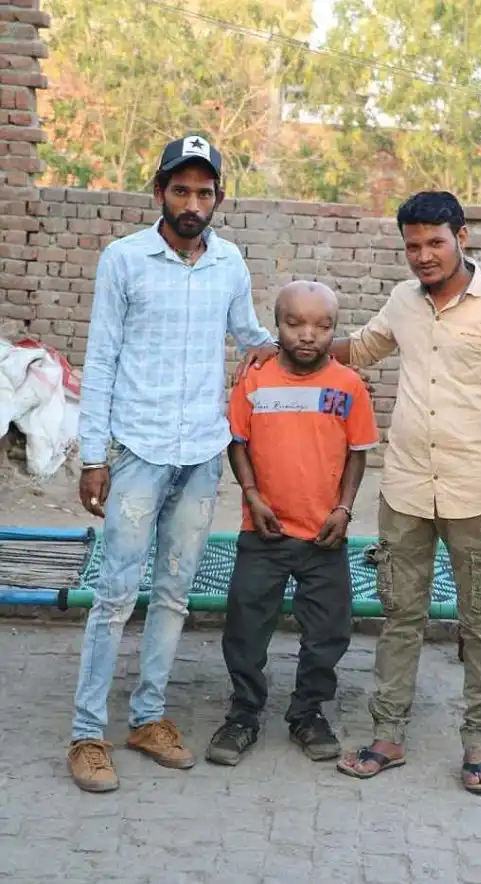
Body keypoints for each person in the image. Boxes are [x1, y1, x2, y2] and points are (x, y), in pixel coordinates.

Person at [242, 191, 481, 794]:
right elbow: (359, 347)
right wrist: (281, 346)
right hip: (404, 491)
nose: (424, 255)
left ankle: (479, 746)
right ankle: (388, 735)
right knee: (401, 617)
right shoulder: (404, 301)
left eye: (435, 242)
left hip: (475, 497)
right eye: (413, 245)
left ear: (461, 237)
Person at [68, 135, 279, 793]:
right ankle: (87, 734)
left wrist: (299, 344)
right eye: (180, 190)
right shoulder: (124, 260)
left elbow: (249, 335)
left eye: (204, 192)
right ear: (159, 192)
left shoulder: (229, 262)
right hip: (137, 451)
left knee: (173, 594)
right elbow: (101, 360)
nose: (192, 203)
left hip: (201, 455)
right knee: (114, 595)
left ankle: (148, 717)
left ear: (219, 198)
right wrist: (94, 457)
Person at [206, 281, 379, 766]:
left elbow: (358, 453)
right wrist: (252, 495)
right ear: (276, 324)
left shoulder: (348, 386)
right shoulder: (255, 380)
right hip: (264, 531)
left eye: (322, 326)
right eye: (294, 323)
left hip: (324, 536)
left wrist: (343, 510)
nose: (307, 335)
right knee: (245, 625)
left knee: (330, 629)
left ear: (334, 329)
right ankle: (243, 714)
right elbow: (237, 442)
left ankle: (308, 712)